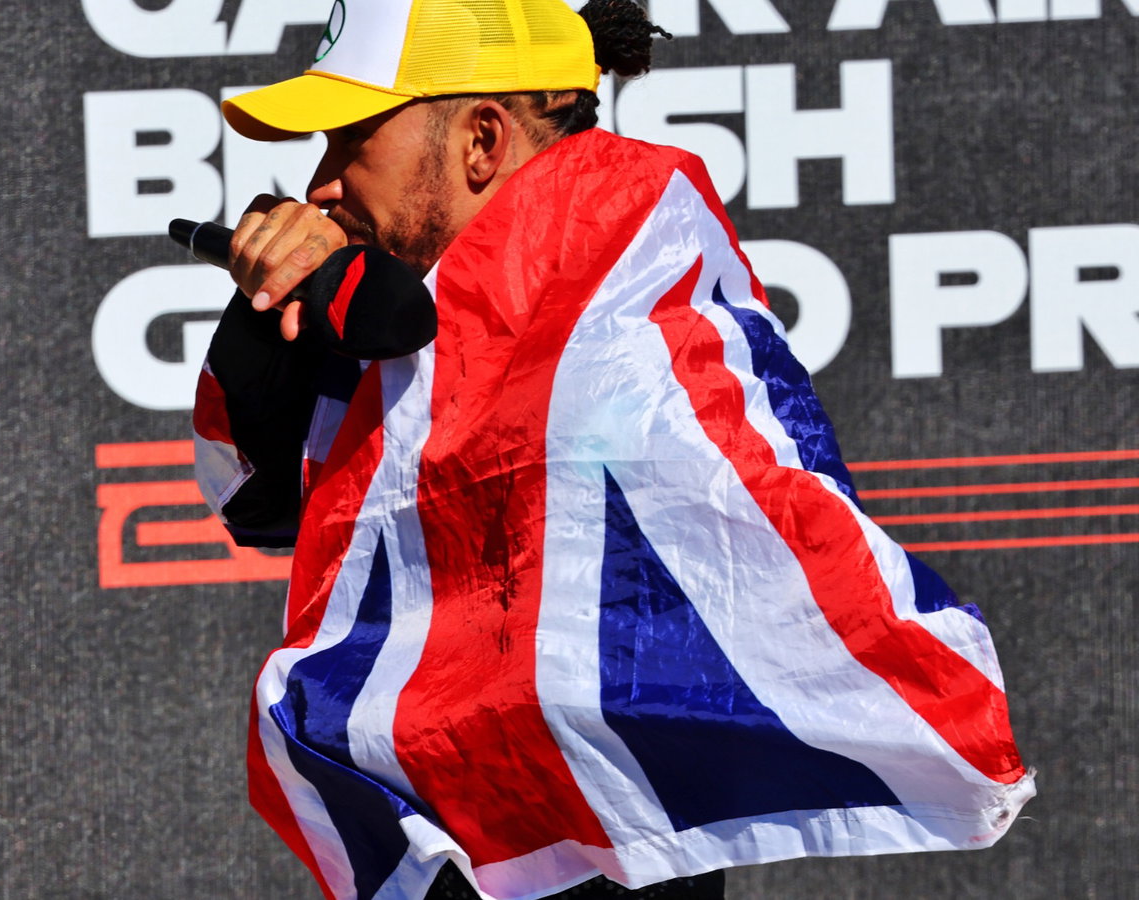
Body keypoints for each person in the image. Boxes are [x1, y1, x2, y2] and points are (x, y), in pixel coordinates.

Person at [191, 2, 1035, 899]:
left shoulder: (616, 274)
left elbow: (572, 468)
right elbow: (266, 509)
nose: (319, 183)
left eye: (349, 139)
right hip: (467, 826)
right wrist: (267, 336)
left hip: (600, 839)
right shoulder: (398, 321)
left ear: (482, 139)